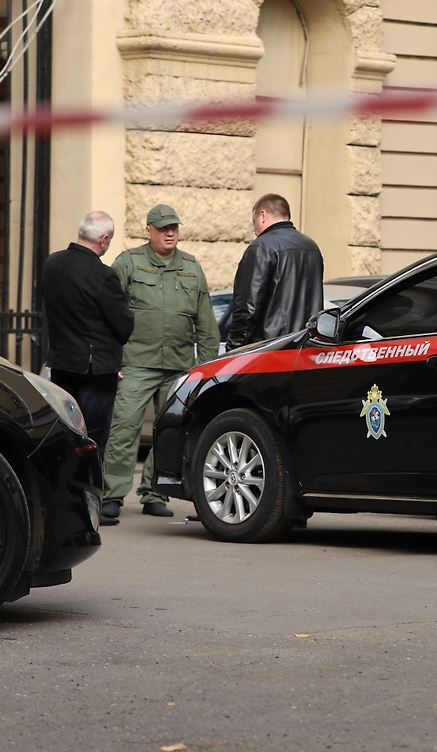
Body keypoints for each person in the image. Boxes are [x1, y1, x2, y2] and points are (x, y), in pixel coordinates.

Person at [100, 204, 221, 523]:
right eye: (163, 228)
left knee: (170, 432)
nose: (169, 233)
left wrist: (205, 368)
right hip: (136, 362)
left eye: (174, 228)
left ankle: (155, 493)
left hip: (179, 366)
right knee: (125, 427)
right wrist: (111, 357)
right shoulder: (128, 263)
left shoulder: (191, 267)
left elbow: (206, 322)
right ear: (148, 231)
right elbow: (107, 312)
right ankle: (112, 495)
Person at [41, 210, 134, 467]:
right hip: (96, 369)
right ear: (104, 239)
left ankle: (62, 487)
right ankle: (88, 489)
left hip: (61, 363)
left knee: (64, 434)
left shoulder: (52, 264)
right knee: (92, 440)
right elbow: (124, 325)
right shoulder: (102, 274)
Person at [228, 193, 324, 349]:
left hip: (271, 349)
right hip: (307, 347)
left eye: (254, 222)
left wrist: (234, 350)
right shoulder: (312, 247)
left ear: (263, 215)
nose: (254, 230)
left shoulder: (261, 247)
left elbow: (248, 309)